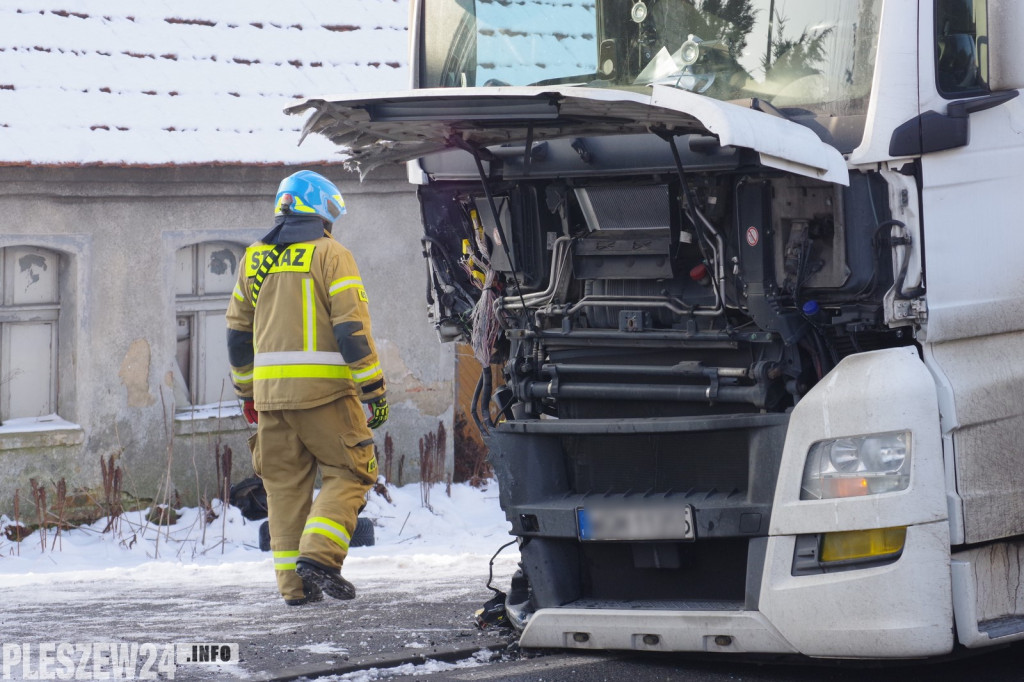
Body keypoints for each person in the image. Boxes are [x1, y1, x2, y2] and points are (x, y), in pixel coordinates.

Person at [226, 170, 389, 606]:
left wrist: (247, 396)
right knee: (352, 472)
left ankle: (295, 589)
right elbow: (351, 329)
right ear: (318, 210)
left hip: (270, 399)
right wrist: (373, 388)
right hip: (327, 396)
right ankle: (319, 558)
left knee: (283, 490)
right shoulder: (331, 255)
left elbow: (237, 335)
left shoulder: (254, 259)